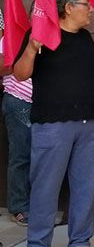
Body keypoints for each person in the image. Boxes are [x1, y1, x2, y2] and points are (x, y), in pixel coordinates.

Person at [14, 0, 94, 247]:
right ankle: (38, 243)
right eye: (86, 4)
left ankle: (80, 242)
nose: (91, 9)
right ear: (68, 8)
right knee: (45, 189)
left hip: (91, 124)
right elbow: (20, 74)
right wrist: (32, 49)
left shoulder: (86, 38)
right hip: (53, 125)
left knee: (85, 191)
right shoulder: (40, 35)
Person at [0, 36, 33, 227]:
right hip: (19, 100)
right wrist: (21, 56)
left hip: (47, 104)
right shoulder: (11, 37)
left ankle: (35, 204)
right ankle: (19, 206)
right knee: (21, 156)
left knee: (43, 157)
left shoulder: (55, 37)